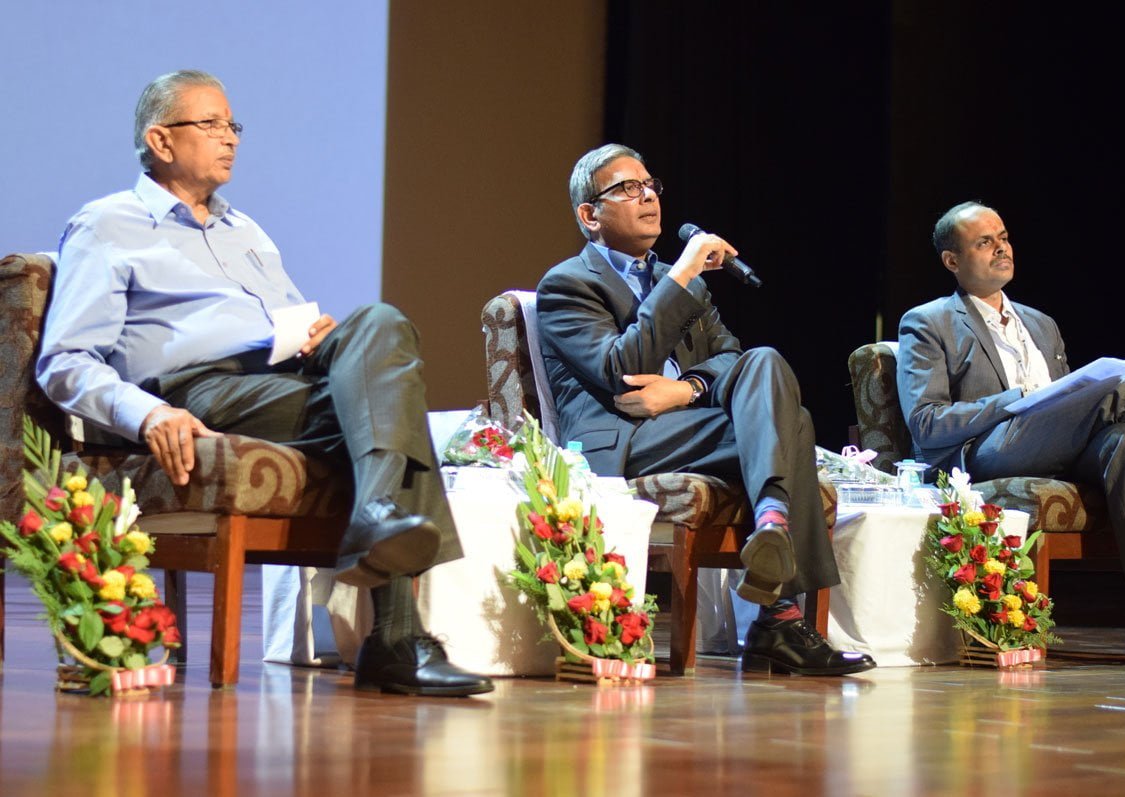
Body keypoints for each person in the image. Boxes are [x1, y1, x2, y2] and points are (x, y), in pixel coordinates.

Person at [36, 70, 493, 696]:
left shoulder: (245, 231)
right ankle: (396, 639)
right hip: (199, 390)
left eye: (233, 125)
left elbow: (288, 320)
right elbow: (65, 360)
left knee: (380, 323)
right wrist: (145, 414)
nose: (230, 138)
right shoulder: (107, 225)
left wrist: (316, 333)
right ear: (161, 141)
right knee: (388, 405)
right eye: (211, 124)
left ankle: (379, 522)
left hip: (283, 377)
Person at [536, 143, 875, 676]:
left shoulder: (677, 281)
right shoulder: (568, 285)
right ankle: (779, 618)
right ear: (590, 215)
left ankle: (772, 524)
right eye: (627, 188)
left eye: (650, 185)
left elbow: (731, 357)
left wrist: (687, 389)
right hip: (625, 436)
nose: (648, 196)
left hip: (685, 420)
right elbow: (621, 367)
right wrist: (682, 275)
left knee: (765, 361)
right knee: (795, 426)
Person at [897, 200, 1125, 666]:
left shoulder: (1041, 324)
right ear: (952, 261)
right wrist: (1013, 400)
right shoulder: (927, 321)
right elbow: (927, 422)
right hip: (984, 452)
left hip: (1050, 445)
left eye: (1004, 238)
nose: (1001, 248)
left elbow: (1073, 414)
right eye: (984, 242)